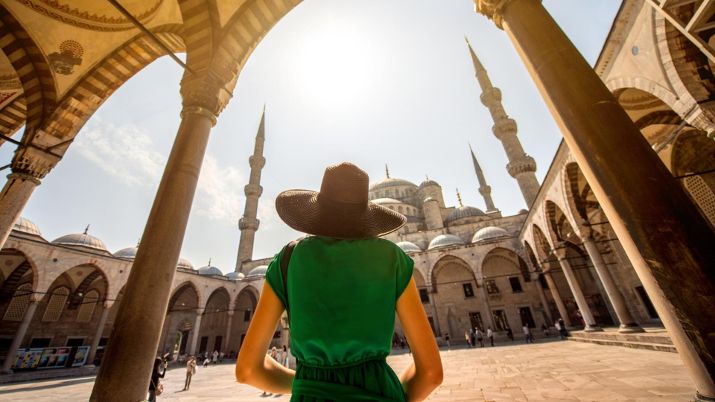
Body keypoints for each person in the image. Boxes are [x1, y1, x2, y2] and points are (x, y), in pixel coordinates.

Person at [236, 163, 443, 401]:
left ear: (318, 210)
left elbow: (247, 370)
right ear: (364, 213)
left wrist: (311, 385)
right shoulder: (392, 257)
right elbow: (431, 373)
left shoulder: (288, 260)